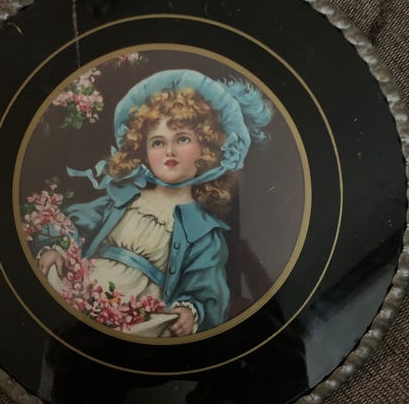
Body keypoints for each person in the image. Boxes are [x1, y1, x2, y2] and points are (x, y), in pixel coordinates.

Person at [32, 69, 272, 337]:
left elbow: (206, 285)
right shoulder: (124, 198)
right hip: (87, 291)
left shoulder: (202, 231)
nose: (169, 151)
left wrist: (191, 310)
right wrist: (58, 247)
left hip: (140, 316)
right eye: (158, 142)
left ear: (206, 148)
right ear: (143, 151)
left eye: (182, 139)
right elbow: (76, 221)